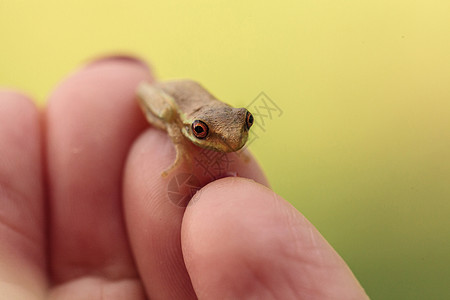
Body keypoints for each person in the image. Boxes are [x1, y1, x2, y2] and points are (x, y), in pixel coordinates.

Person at [0, 56, 369, 299]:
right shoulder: (184, 123)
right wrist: (183, 140)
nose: (235, 139)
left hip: (204, 106)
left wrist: (225, 138)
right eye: (204, 132)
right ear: (195, 128)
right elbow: (178, 115)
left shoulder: (224, 123)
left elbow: (226, 127)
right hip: (170, 101)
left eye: (247, 124)